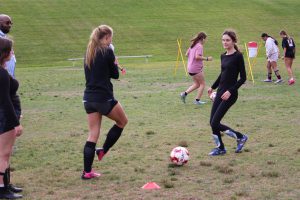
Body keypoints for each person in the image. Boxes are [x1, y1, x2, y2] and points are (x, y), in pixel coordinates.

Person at [81, 25, 128, 179]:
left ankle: (87, 172)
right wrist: (114, 60)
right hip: (103, 97)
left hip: (88, 98)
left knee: (93, 134)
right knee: (122, 122)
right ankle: (103, 150)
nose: (111, 41)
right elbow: (115, 75)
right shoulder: (107, 51)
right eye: (110, 38)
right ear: (106, 37)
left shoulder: (89, 51)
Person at [207, 30, 248, 156]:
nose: (225, 42)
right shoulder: (223, 55)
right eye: (223, 40)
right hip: (220, 92)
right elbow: (223, 74)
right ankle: (220, 148)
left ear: (233, 41)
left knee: (215, 122)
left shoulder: (238, 56)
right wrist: (213, 87)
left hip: (230, 94)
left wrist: (230, 91)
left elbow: (243, 78)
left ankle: (240, 137)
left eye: (227, 40)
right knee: (212, 122)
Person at [0, 37, 23, 199]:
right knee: (4, 154)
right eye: (11, 50)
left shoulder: (2, 70)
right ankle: (2, 188)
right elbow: (5, 100)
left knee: (4, 154)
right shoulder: (1, 74)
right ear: (4, 53)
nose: (13, 52)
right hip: (6, 118)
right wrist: (15, 123)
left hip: (6, 116)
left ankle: (6, 184)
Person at [180, 32, 212, 105]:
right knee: (202, 84)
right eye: (205, 39)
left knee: (197, 84)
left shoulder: (193, 45)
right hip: (195, 69)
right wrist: (207, 58)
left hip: (190, 68)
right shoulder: (199, 46)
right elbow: (197, 57)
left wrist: (191, 59)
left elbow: (186, 54)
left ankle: (184, 94)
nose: (205, 41)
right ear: (203, 39)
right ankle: (197, 101)